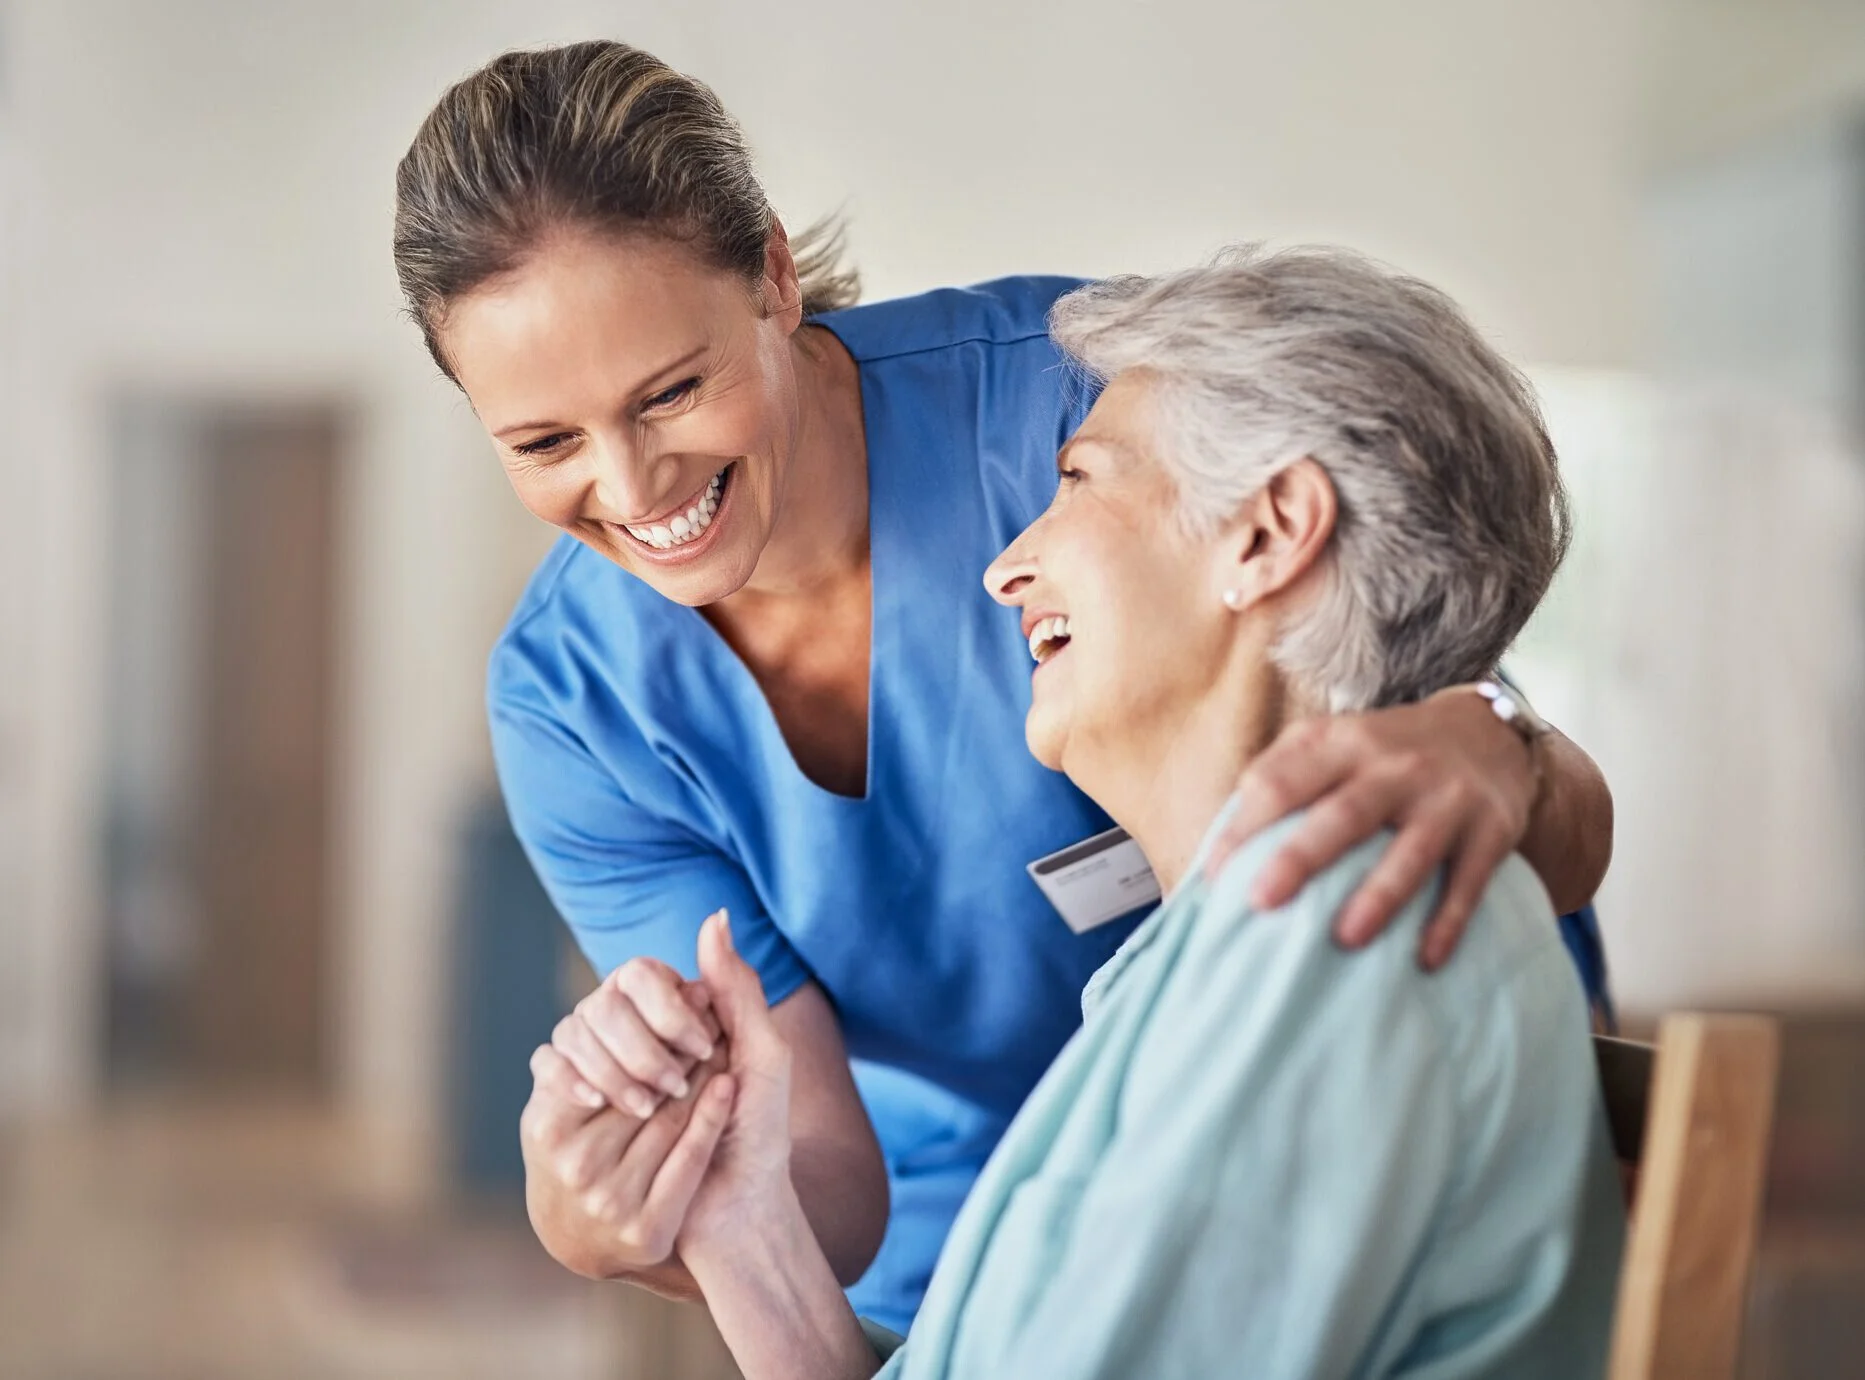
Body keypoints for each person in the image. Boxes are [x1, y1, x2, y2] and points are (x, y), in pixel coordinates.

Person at [391, 41, 1616, 1332]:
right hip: (994, 1264)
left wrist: (1494, 740)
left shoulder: (1088, 412)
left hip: (1316, 1133)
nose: (635, 491)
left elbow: (1438, 658)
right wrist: (641, 1203)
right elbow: (806, 1162)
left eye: (672, 391)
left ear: (771, 276)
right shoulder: (573, 697)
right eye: (542, 442)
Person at [666, 246, 1628, 1380]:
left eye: (1077, 480)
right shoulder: (1220, 945)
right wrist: (741, 1231)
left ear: (1268, 533)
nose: (1004, 568)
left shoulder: (1330, 929)